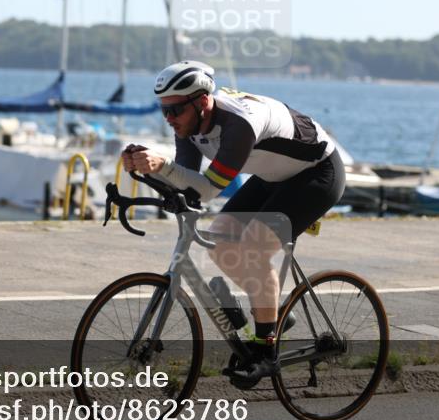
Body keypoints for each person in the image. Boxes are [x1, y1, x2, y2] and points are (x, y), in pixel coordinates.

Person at [121, 60, 346, 385]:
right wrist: (143, 170)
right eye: (163, 111)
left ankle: (266, 351)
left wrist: (162, 166)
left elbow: (208, 190)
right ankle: (271, 314)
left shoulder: (238, 125)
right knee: (220, 242)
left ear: (201, 102)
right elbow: (187, 183)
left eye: (175, 111)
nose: (169, 120)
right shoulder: (190, 126)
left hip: (317, 173)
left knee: (254, 248)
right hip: (272, 176)